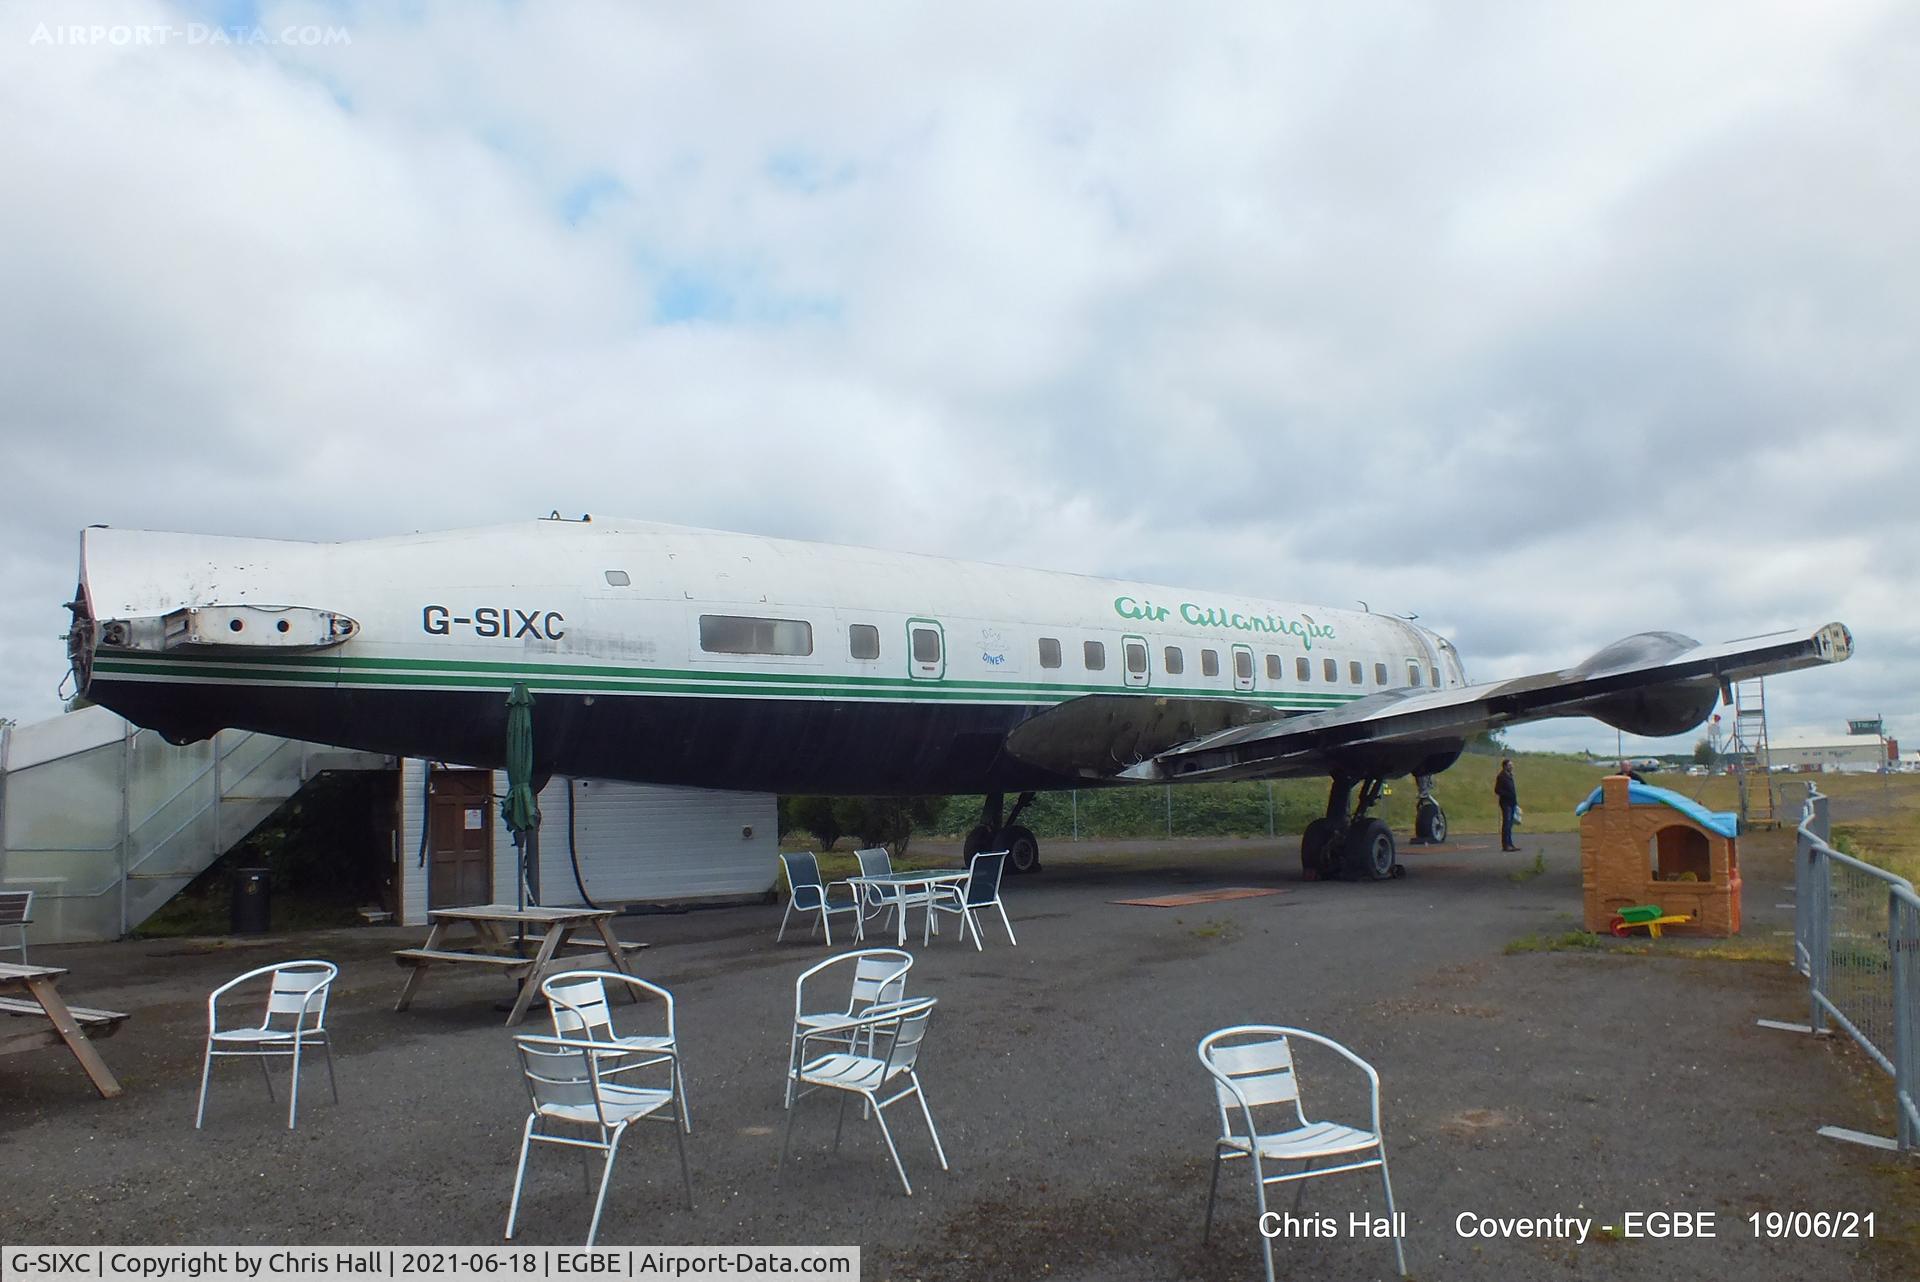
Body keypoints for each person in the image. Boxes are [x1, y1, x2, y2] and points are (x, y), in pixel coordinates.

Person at [1494, 758, 1520, 851]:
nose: (1511, 767)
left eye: (1511, 765)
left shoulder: (1510, 776)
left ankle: (1510, 844)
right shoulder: (1501, 776)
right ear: (1505, 766)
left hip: (1512, 803)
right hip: (1506, 803)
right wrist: (1506, 795)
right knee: (1506, 824)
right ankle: (1506, 845)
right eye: (1509, 765)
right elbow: (1497, 790)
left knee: (1510, 825)